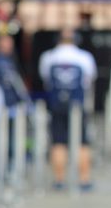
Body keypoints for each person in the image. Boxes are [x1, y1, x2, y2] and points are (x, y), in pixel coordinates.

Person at [39, 27, 97, 190]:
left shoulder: (49, 57)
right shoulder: (84, 57)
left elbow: (46, 79)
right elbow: (89, 79)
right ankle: (84, 180)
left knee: (58, 142)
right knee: (82, 142)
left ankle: (59, 179)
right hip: (78, 106)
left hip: (57, 106)